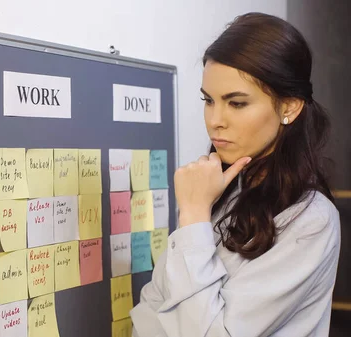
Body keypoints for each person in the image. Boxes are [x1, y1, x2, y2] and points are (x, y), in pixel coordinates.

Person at [130, 12, 341, 337]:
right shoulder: (222, 192)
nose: (215, 120)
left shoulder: (312, 220)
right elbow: (148, 311)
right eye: (208, 100)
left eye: (237, 103)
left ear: (289, 107)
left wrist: (195, 215)